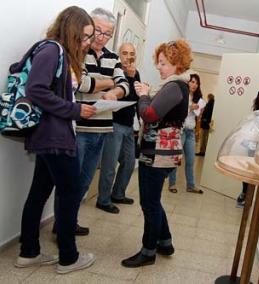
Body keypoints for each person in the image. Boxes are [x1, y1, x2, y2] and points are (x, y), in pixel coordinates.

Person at [15, 6, 97, 273]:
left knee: (39, 193)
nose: (86, 43)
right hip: (55, 137)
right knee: (70, 193)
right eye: (84, 36)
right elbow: (36, 89)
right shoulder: (53, 50)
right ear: (71, 29)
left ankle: (28, 253)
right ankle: (68, 257)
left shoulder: (57, 52)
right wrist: (74, 110)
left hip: (50, 136)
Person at [121, 39, 192, 267]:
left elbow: (149, 115)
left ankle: (148, 251)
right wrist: (148, 94)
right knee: (154, 200)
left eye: (163, 63)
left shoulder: (174, 86)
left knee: (149, 204)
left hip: (158, 153)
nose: (158, 67)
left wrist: (143, 95)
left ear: (176, 64)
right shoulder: (174, 86)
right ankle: (164, 241)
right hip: (161, 152)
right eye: (158, 62)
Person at [76, 7, 129, 219]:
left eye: (108, 33)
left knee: (86, 180)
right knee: (72, 179)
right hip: (80, 126)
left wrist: (115, 92)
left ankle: (71, 221)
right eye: (98, 31)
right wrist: (109, 82)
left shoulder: (113, 57)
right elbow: (83, 83)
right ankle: (63, 224)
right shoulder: (79, 50)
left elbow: (124, 85)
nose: (102, 37)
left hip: (102, 129)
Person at [97, 43, 139, 213]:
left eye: (132, 53)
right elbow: (119, 95)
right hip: (114, 124)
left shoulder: (135, 73)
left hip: (129, 125)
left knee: (129, 162)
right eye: (125, 53)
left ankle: (118, 194)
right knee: (109, 164)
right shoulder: (114, 71)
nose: (128, 56)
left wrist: (133, 77)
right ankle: (103, 200)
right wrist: (128, 78)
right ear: (119, 54)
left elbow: (136, 96)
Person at [168, 74, 206, 194]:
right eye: (192, 82)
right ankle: (172, 184)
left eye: (196, 83)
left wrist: (199, 113)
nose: (194, 85)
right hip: (181, 131)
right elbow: (177, 112)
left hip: (191, 132)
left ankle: (190, 185)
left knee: (190, 160)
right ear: (188, 83)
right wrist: (190, 108)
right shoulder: (182, 96)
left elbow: (197, 116)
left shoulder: (199, 99)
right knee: (176, 159)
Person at [236, 88, 259, 208]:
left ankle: (255, 199)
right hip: (252, 145)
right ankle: (245, 194)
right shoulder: (255, 112)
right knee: (248, 170)